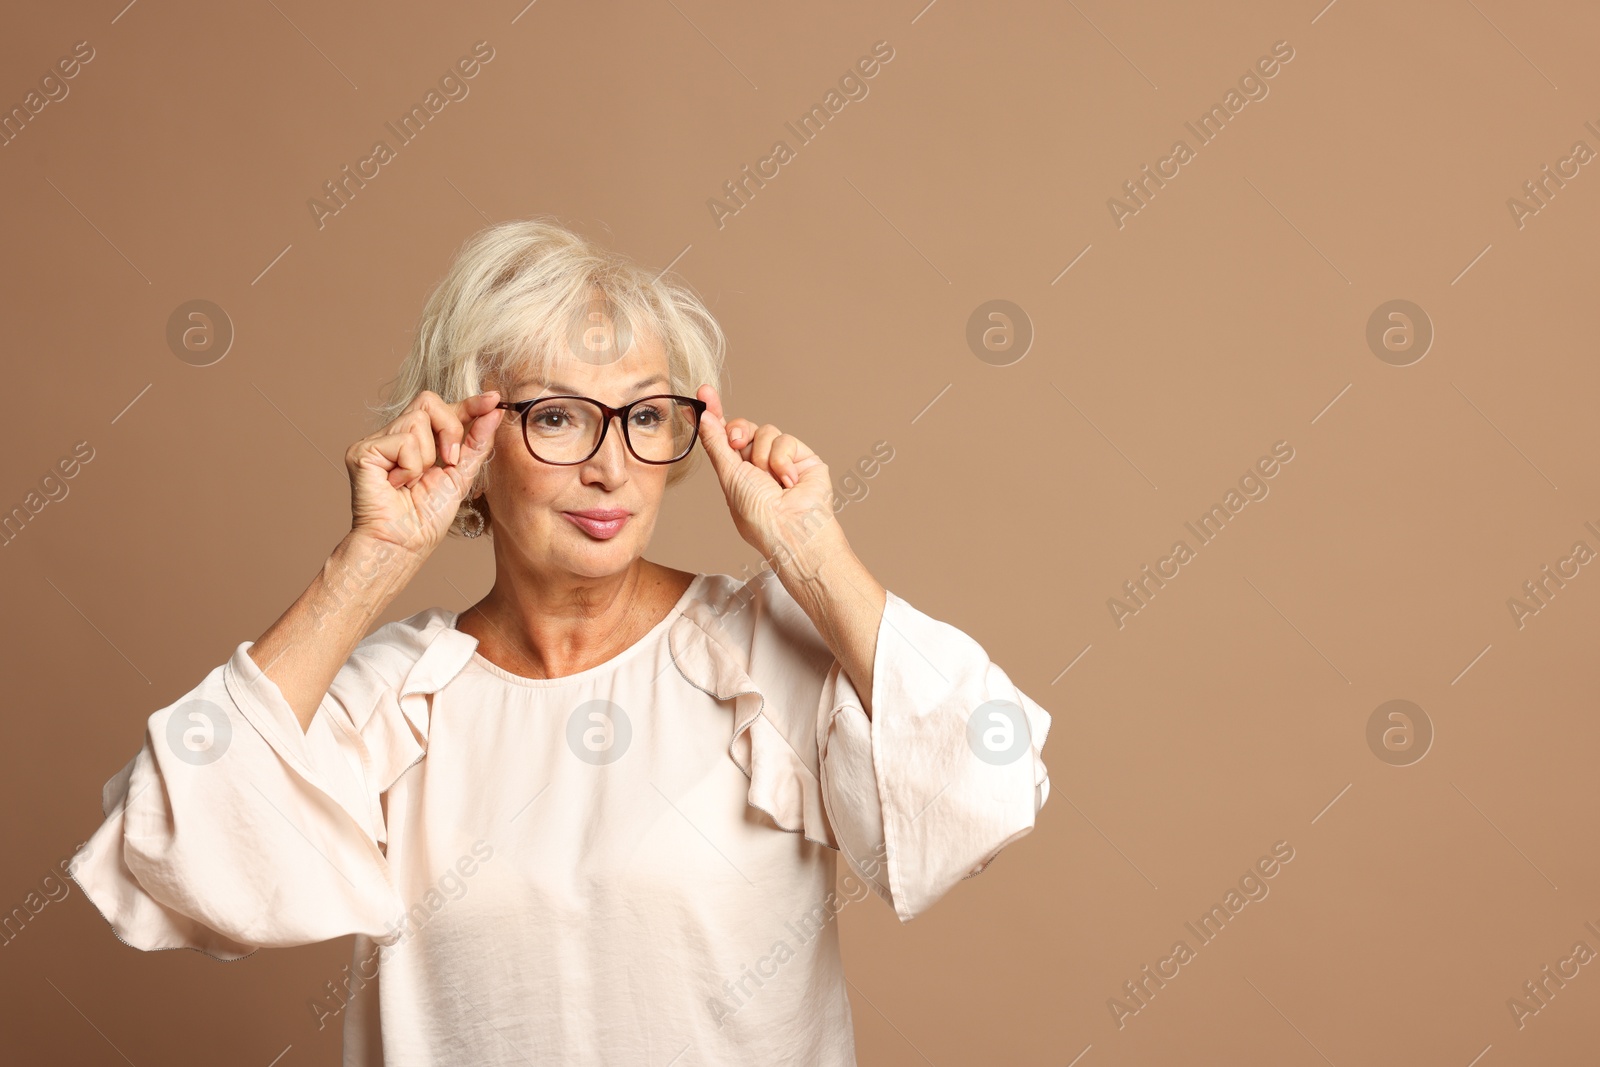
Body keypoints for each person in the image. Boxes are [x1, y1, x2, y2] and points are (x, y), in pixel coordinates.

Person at [68, 218, 1053, 1065]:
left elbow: (988, 778)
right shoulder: (400, 698)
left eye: (644, 417)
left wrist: (809, 549)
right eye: (555, 417)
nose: (609, 466)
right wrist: (367, 561)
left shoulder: (759, 658)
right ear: (466, 438)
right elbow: (170, 842)